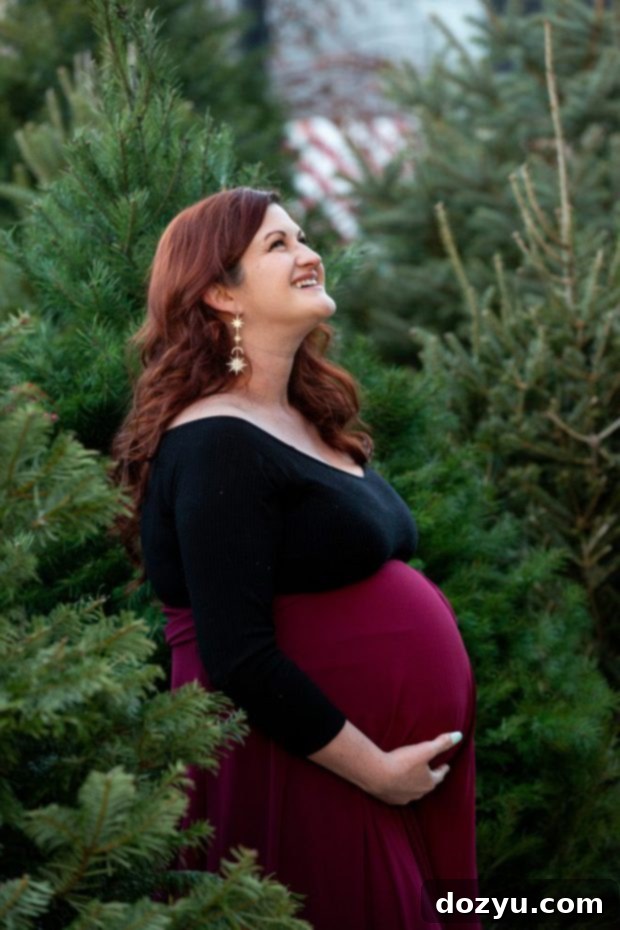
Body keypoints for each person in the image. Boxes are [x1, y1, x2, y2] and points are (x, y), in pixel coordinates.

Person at [112, 187, 479, 930]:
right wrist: (377, 772)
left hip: (374, 768)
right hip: (302, 766)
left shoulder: (303, 418)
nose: (309, 254)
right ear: (219, 292)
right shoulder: (214, 440)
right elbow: (237, 654)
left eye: (302, 237)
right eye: (277, 246)